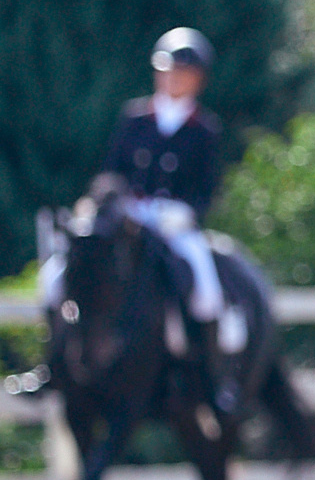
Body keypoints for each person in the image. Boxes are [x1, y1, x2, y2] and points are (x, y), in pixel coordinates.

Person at [97, 27, 241, 414]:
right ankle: (56, 367)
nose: (173, 78)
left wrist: (185, 212)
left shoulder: (204, 129)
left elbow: (207, 189)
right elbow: (112, 170)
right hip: (132, 219)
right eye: (168, 70)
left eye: (182, 72)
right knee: (73, 271)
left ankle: (213, 379)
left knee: (206, 289)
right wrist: (112, 200)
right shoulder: (135, 118)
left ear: (198, 80)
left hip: (175, 226)